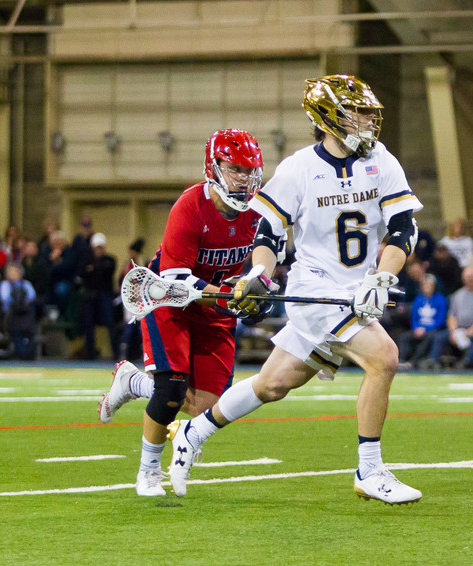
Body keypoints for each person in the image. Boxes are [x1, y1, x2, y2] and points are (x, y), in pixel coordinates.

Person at [166, 76, 423, 504]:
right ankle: (370, 470)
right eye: (357, 112)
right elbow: (268, 235)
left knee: (273, 384)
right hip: (316, 290)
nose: (367, 120)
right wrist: (259, 275)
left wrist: (382, 277)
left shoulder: (381, 160)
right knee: (385, 357)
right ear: (328, 117)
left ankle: (195, 430)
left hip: (356, 290)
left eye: (367, 112)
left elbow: (402, 228)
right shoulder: (299, 169)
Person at [96, 128, 268, 498]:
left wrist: (259, 289)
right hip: (169, 300)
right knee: (171, 388)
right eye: (235, 169)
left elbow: (262, 262)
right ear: (214, 166)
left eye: (249, 171)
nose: (244, 179)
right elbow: (177, 279)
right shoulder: (190, 206)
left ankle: (133, 382)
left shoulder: (258, 212)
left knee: (208, 407)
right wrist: (230, 296)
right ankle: (148, 472)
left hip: (215, 308)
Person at [434, 266, 473, 369]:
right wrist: (453, 331)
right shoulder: (458, 294)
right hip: (460, 327)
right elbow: (452, 315)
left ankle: (467, 362)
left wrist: (472, 330)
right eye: (467, 277)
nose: (470, 279)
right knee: (439, 337)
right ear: (463, 278)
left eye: (472, 276)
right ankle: (433, 361)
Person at [79, 232, 117, 360]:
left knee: (110, 322)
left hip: (105, 294)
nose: (98, 250)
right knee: (88, 323)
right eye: (96, 248)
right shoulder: (87, 260)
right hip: (91, 295)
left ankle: (115, 352)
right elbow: (83, 273)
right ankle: (90, 353)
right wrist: (96, 269)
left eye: (100, 248)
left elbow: (105, 270)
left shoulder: (110, 260)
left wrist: (93, 269)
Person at [397, 274, 447, 369]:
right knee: (404, 337)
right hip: (418, 328)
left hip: (433, 329)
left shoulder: (440, 299)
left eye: (429, 285)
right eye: (425, 285)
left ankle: (414, 361)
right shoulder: (418, 300)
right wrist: (416, 328)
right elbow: (414, 318)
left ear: (433, 286)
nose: (427, 287)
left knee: (430, 337)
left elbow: (441, 320)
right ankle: (401, 360)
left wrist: (425, 329)